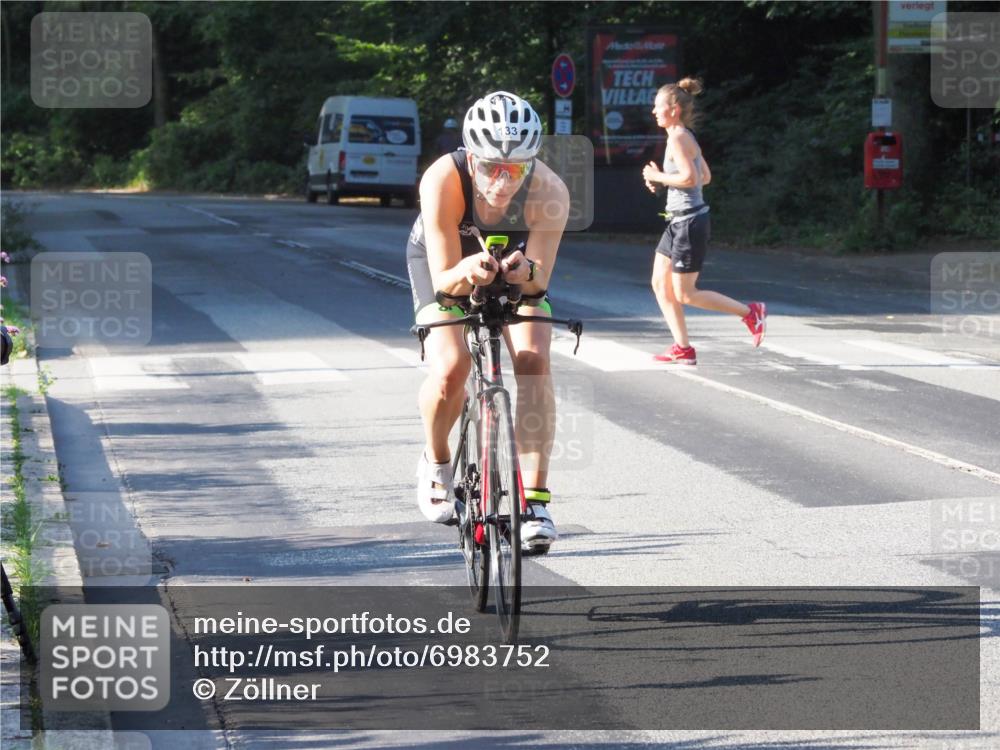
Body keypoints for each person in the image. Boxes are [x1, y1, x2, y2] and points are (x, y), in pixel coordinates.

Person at [406, 91, 569, 554]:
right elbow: (443, 281)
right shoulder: (443, 178)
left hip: (511, 266)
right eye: (492, 167)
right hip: (445, 264)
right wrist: (466, 271)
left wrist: (525, 273)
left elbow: (537, 284)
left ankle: (535, 503)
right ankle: (436, 462)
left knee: (535, 358)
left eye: (515, 169)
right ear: (471, 158)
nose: (502, 180)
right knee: (451, 366)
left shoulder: (550, 190)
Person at [642, 78, 766, 365]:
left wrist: (659, 177)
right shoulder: (683, 135)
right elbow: (705, 177)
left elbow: (692, 179)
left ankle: (750, 313)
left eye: (657, 106)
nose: (653, 112)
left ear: (673, 108)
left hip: (689, 223)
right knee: (660, 284)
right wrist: (663, 182)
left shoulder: (679, 138)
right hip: (677, 222)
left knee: (685, 294)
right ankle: (682, 348)